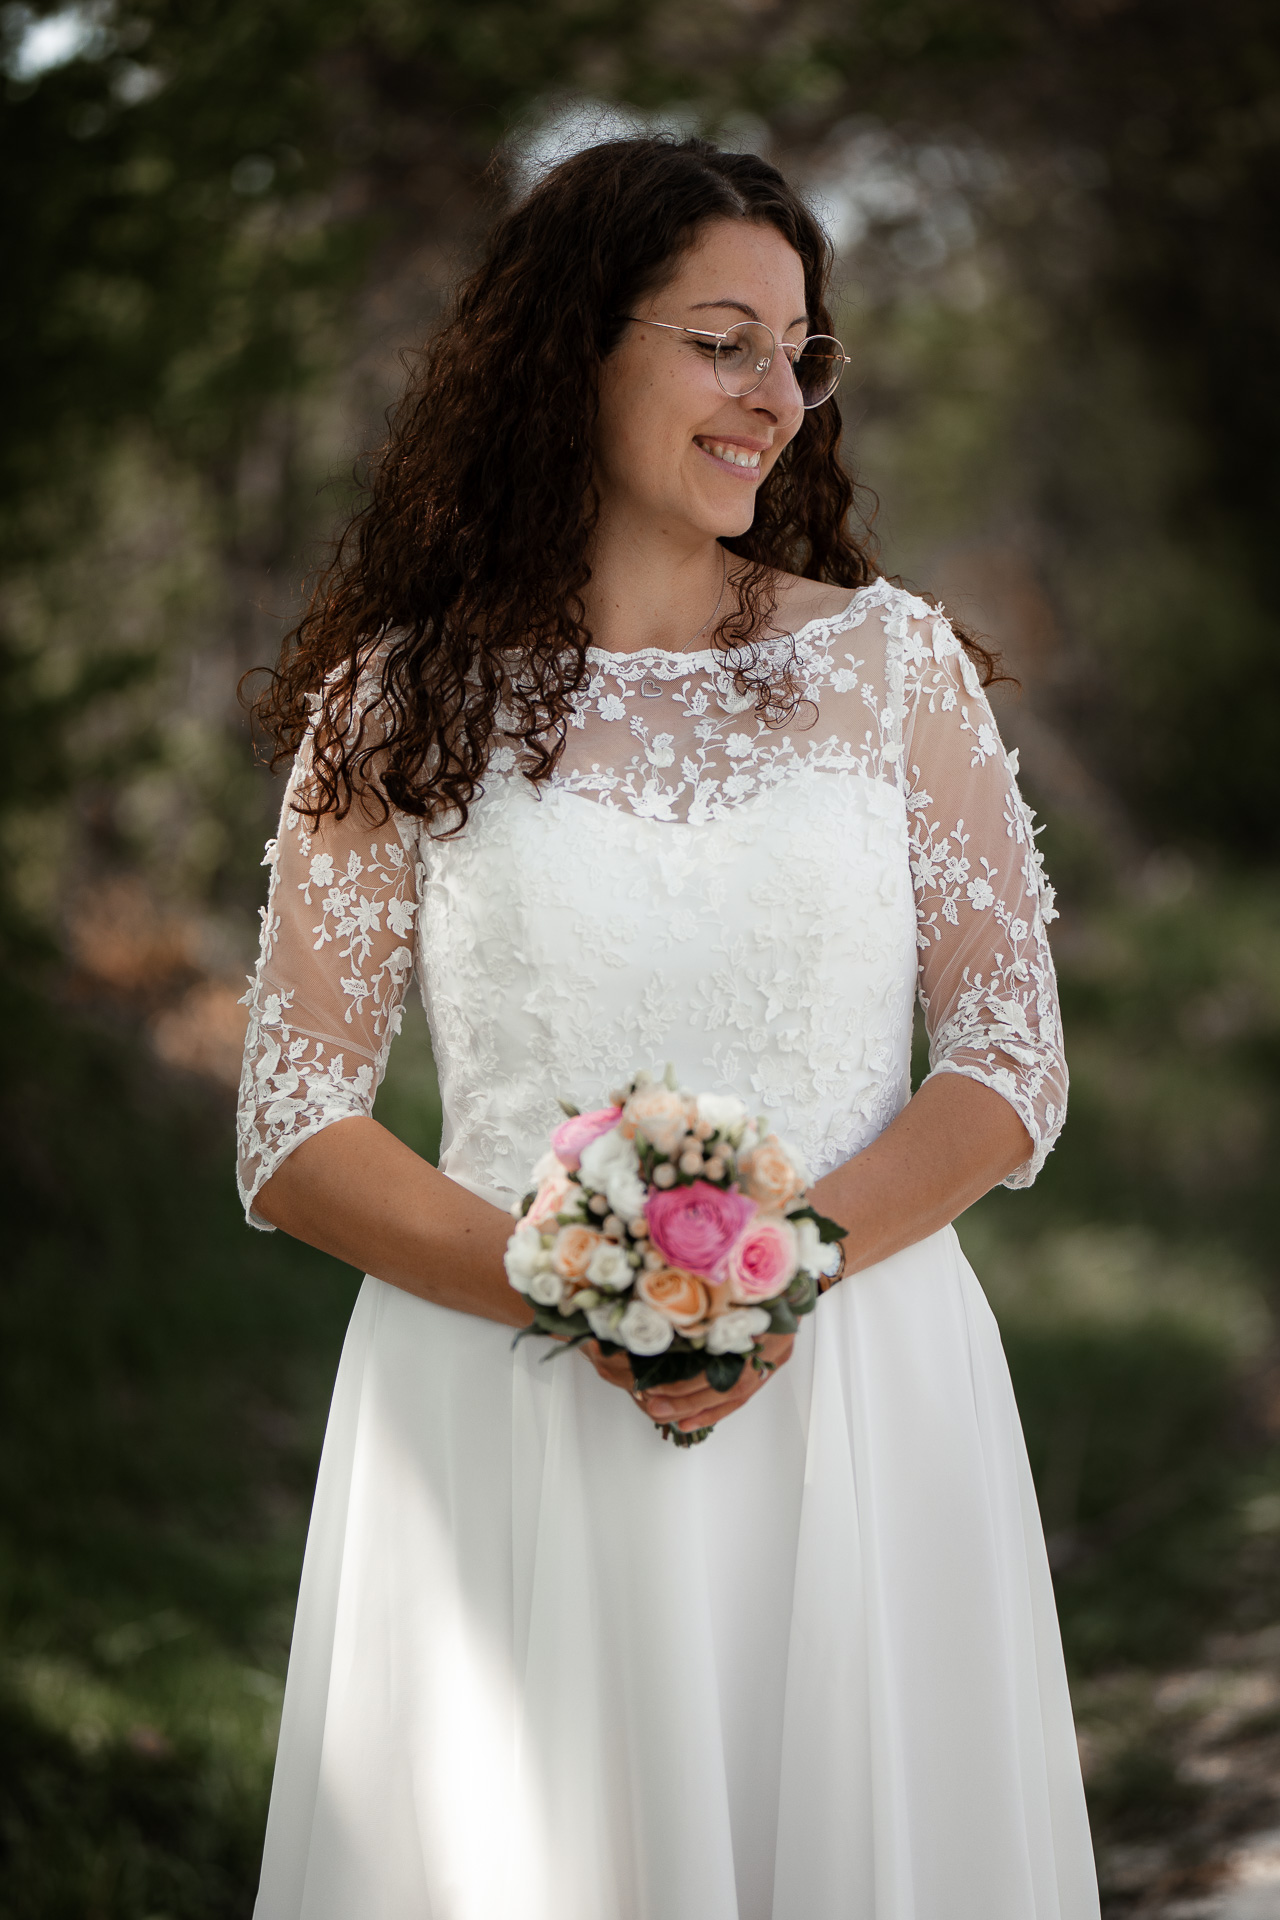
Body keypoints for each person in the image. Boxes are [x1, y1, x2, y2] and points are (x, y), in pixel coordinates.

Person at [237, 135, 1099, 1919]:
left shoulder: (894, 670)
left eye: (802, 351)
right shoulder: (392, 709)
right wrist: (581, 1296)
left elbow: (1013, 1055)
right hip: (509, 1409)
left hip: (859, 1402)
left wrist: (769, 1273)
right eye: (724, 340)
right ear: (576, 350)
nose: (774, 397)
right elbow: (296, 1124)